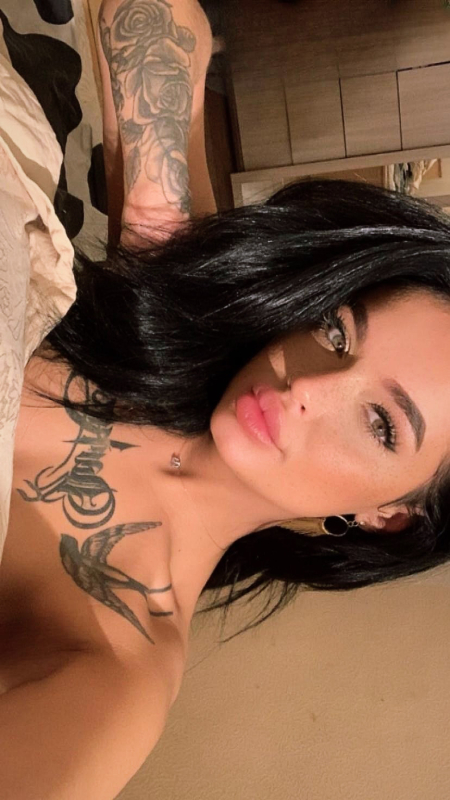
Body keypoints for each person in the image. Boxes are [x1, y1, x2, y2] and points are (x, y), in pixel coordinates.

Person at [2, 1, 450, 798]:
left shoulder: (116, 666)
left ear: (391, 515)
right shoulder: (188, 323)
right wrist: (156, 209)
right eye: (337, 330)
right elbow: (162, 17)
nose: (306, 387)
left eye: (381, 424)